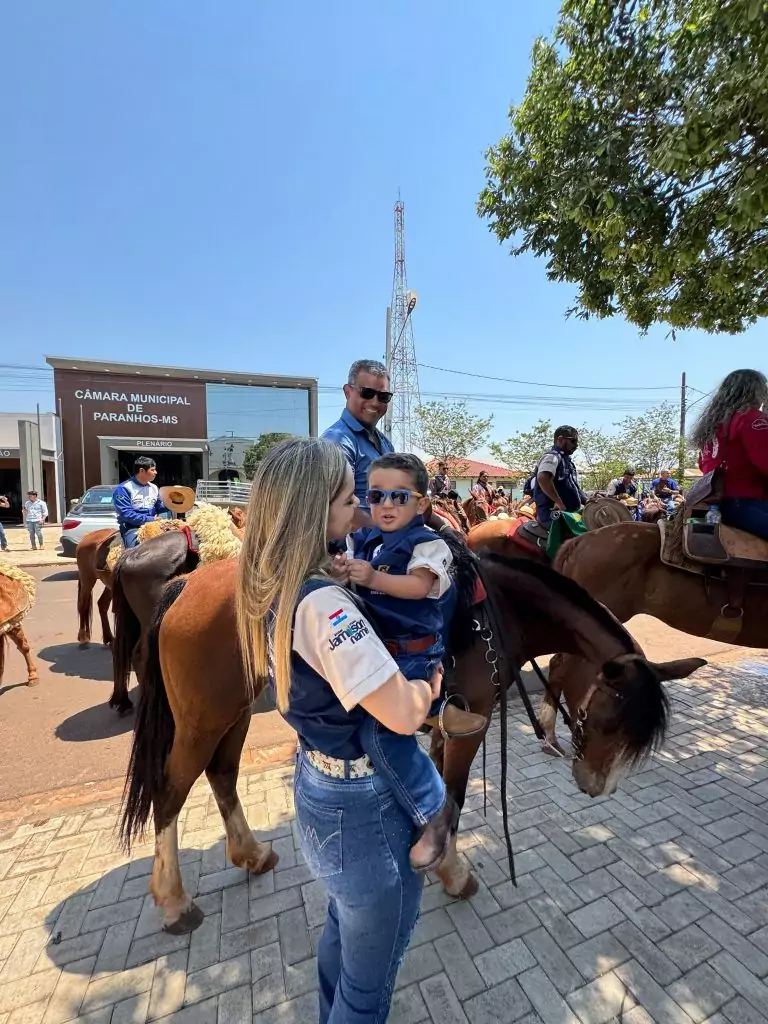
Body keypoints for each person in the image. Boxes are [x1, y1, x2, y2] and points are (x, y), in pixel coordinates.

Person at [236, 437, 439, 1022]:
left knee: (344, 935)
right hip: (363, 802)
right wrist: (432, 685)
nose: (360, 511)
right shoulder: (327, 605)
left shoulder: (272, 584)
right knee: (367, 990)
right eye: (351, 499)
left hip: (316, 779)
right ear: (313, 509)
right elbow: (402, 714)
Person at [342, 453, 485, 871]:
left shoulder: (428, 543)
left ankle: (434, 810)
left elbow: (419, 586)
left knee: (382, 737)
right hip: (374, 648)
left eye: (399, 496)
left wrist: (372, 578)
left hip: (411, 654)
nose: (386, 505)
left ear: (421, 504)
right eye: (376, 496)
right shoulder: (368, 540)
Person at [693, 368, 768, 540]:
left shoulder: (712, 425)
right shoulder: (752, 419)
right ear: (754, 391)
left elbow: (704, 464)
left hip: (716, 504)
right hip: (747, 502)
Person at [322, 359, 394, 523]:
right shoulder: (337, 442)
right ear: (348, 392)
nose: (375, 402)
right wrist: (395, 523)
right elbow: (333, 509)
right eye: (367, 393)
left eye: (383, 396)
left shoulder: (385, 443)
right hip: (357, 546)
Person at [534, 425, 586, 528]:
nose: (576, 446)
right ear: (561, 439)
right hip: (553, 516)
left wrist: (588, 500)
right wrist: (558, 502)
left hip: (569, 515)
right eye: (573, 441)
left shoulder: (567, 461)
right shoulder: (552, 456)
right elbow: (543, 478)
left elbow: (573, 488)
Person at [112, 456, 168, 548]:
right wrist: (150, 519)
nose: (156, 472)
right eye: (152, 470)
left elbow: (158, 507)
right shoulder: (123, 489)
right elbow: (126, 514)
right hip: (132, 527)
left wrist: (173, 503)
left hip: (154, 524)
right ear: (142, 470)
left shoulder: (154, 488)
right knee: (134, 553)